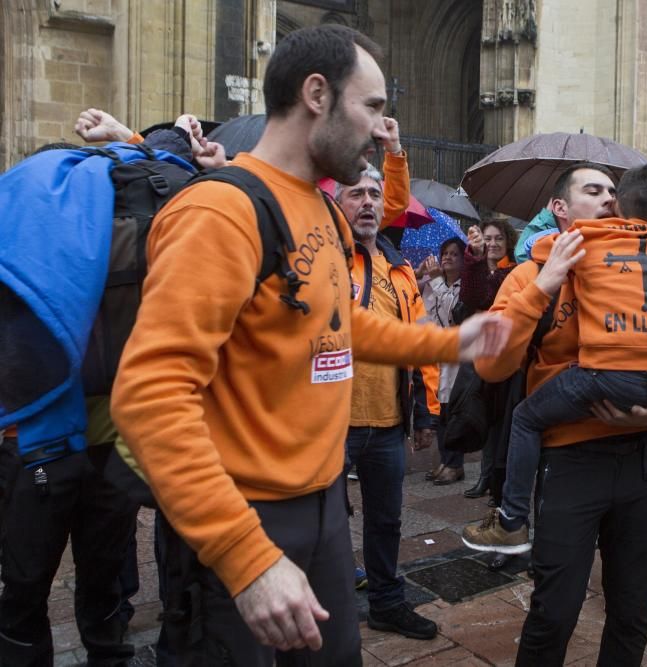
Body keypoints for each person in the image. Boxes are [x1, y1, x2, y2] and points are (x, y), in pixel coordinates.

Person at [109, 24, 510, 664]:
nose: (384, 130)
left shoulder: (322, 210)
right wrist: (246, 559)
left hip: (323, 507)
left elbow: (337, 323)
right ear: (316, 94)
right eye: (374, 107)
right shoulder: (220, 214)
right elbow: (149, 396)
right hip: (244, 518)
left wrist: (446, 344)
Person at [474, 161, 647, 665]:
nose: (610, 199)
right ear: (560, 209)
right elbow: (491, 366)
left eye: (614, 189)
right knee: (554, 611)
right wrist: (544, 284)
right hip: (570, 465)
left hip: (642, 463)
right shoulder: (528, 273)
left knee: (632, 612)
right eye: (594, 190)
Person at [0, 113, 215, 667]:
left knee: (23, 594)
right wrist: (135, 141)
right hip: (113, 444)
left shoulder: (28, 236)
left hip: (36, 445)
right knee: (105, 592)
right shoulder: (145, 214)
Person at [336, 162, 443, 640]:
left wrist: (426, 412)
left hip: (386, 422)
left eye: (374, 195)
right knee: (324, 523)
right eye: (355, 194)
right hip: (330, 423)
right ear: (336, 204)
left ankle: (386, 602)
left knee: (386, 519)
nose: (367, 203)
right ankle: (331, 609)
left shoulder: (398, 268)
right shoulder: (329, 257)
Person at [460, 218, 518, 500]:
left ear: (508, 243)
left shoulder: (513, 273)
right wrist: (475, 260)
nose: (493, 244)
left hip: (504, 358)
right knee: (483, 414)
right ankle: (485, 477)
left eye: (498, 239)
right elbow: (471, 297)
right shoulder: (481, 268)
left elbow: (484, 299)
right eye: (488, 238)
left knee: (501, 420)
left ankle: (498, 480)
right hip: (480, 352)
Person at [419, 237, 467, 485]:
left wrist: (437, 281)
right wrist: (419, 275)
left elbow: (452, 312)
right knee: (439, 411)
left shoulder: (465, 287)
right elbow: (421, 311)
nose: (447, 257)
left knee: (453, 410)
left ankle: (455, 464)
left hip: (456, 356)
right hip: (435, 355)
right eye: (444, 253)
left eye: (454, 254)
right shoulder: (430, 284)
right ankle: (445, 461)